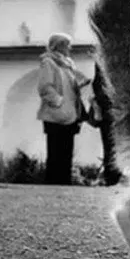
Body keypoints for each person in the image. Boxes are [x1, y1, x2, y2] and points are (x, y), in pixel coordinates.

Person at [92, 36, 130, 185]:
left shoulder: (105, 49)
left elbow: (98, 82)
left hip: (112, 105)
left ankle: (111, 179)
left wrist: (105, 101)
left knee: (110, 145)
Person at [36, 33, 90, 185]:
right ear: (58, 46)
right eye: (67, 45)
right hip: (54, 114)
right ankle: (53, 181)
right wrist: (58, 102)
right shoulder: (49, 62)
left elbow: (67, 88)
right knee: (55, 149)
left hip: (70, 113)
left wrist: (79, 86)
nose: (70, 48)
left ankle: (64, 181)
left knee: (66, 149)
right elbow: (45, 86)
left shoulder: (68, 64)